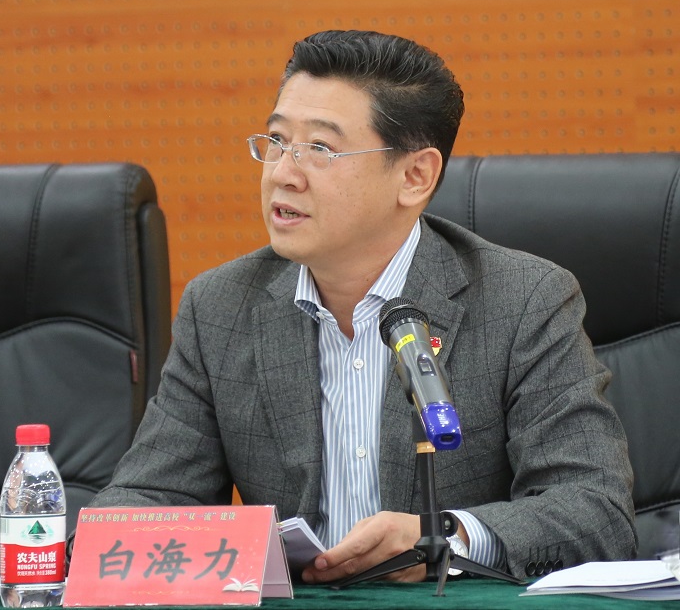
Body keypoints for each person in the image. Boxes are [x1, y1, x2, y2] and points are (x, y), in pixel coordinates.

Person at [87, 30, 636, 582]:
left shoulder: (524, 301)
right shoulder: (221, 307)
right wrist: (93, 544)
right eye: (276, 141)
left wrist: (443, 538)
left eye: (320, 149)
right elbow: (150, 496)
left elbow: (596, 512)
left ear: (414, 177)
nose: (282, 174)